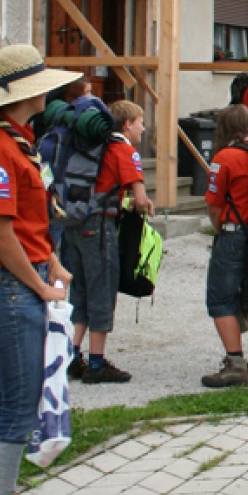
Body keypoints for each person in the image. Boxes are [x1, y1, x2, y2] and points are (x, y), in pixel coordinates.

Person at [0, 44, 80, 495]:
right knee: (18, 404)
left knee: (10, 398)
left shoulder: (16, 141)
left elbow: (26, 221)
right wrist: (40, 287)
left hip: (20, 278)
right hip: (8, 287)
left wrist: (52, 261)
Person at [65, 98, 153, 384]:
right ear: (127, 124)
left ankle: (71, 354)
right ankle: (96, 363)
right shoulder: (123, 150)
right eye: (140, 123)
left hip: (75, 222)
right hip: (99, 226)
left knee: (80, 290)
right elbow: (140, 199)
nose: (143, 128)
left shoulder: (94, 145)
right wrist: (142, 205)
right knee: (102, 289)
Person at [201, 104, 248, 389]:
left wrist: (219, 229)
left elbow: (214, 204)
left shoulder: (225, 157)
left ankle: (235, 363)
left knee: (221, 297)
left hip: (234, 232)